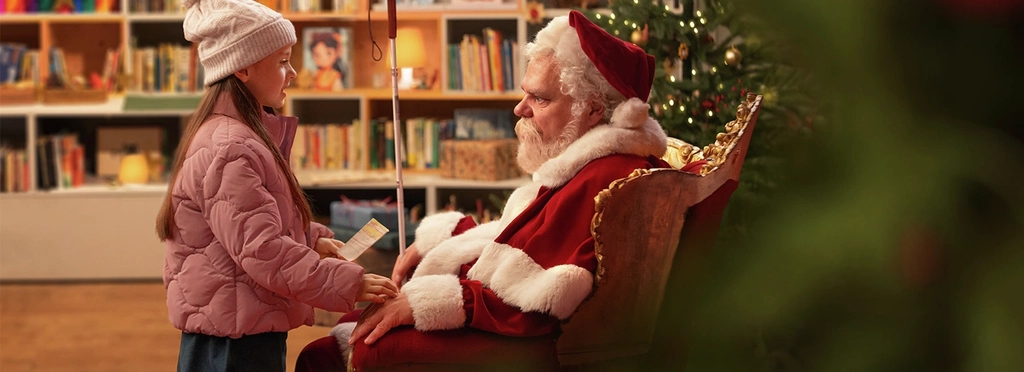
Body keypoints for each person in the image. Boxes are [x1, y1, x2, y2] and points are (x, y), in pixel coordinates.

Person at [295, 10, 668, 370]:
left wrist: (425, 301)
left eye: (540, 98)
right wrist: (447, 240)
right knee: (351, 324)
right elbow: (526, 236)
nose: (520, 109)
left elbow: (541, 298)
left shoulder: (608, 177)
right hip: (512, 317)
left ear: (592, 110)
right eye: (526, 94)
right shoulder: (587, 164)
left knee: (336, 348)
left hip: (536, 340)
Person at [157, 0, 398, 370]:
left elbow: (257, 219)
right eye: (282, 61)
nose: (294, 72)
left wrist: (310, 237)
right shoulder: (230, 148)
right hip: (235, 339)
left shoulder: (240, 136)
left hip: (241, 319)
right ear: (243, 69)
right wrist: (347, 283)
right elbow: (263, 250)